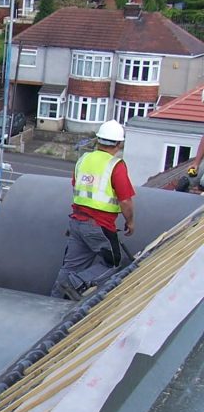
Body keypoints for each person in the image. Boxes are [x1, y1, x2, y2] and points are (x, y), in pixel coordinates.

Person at [50, 119, 135, 300]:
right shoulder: (116, 166)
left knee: (71, 266)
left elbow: (76, 185)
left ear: (98, 140)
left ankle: (54, 301)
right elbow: (125, 201)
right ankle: (76, 283)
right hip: (100, 226)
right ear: (119, 143)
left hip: (77, 222)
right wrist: (130, 221)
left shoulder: (84, 159)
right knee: (115, 263)